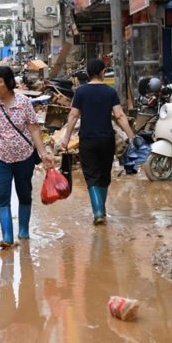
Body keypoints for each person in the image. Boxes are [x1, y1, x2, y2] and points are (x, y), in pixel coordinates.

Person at [0, 66, 54, 248]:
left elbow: (34, 129)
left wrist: (43, 153)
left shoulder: (24, 102)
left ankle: (23, 230)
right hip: (0, 158)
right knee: (2, 194)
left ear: (9, 83)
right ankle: (8, 237)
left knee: (24, 193)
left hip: (24, 156)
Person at [56, 58, 136, 225]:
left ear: (87, 74)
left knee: (92, 176)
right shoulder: (110, 91)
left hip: (87, 140)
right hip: (107, 139)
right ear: (102, 72)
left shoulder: (81, 92)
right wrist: (131, 135)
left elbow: (73, 115)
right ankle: (101, 209)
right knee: (104, 175)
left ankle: (98, 211)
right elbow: (120, 115)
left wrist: (66, 138)